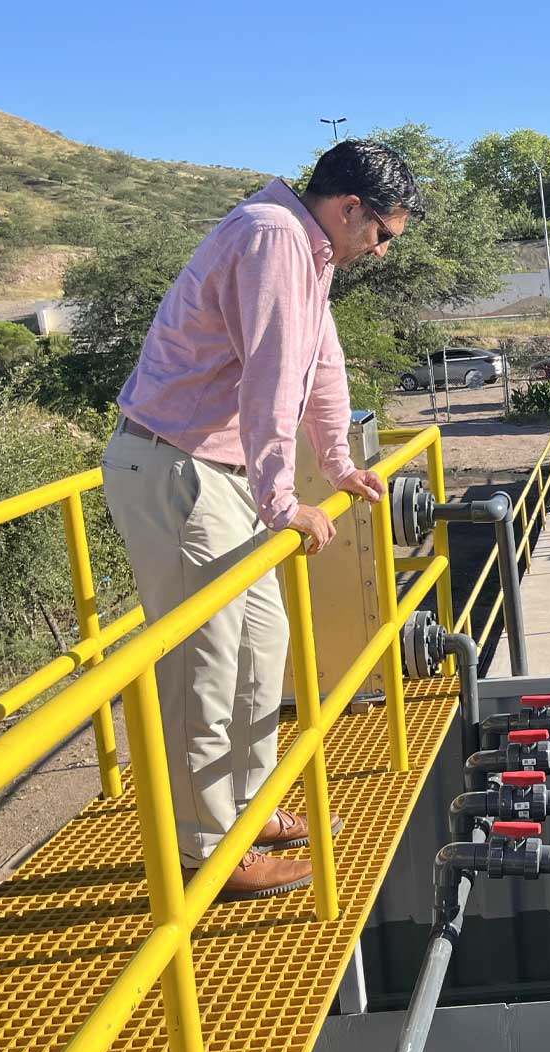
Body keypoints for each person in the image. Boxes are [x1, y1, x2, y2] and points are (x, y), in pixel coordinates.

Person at [101, 141, 423, 900]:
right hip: (179, 470)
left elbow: (324, 361)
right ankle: (208, 851)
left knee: (260, 648)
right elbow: (272, 379)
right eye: (381, 235)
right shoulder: (274, 236)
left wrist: (338, 462)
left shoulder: (308, 251)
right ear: (351, 209)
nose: (378, 251)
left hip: (218, 475)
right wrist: (283, 500)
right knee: (206, 668)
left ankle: (244, 812)